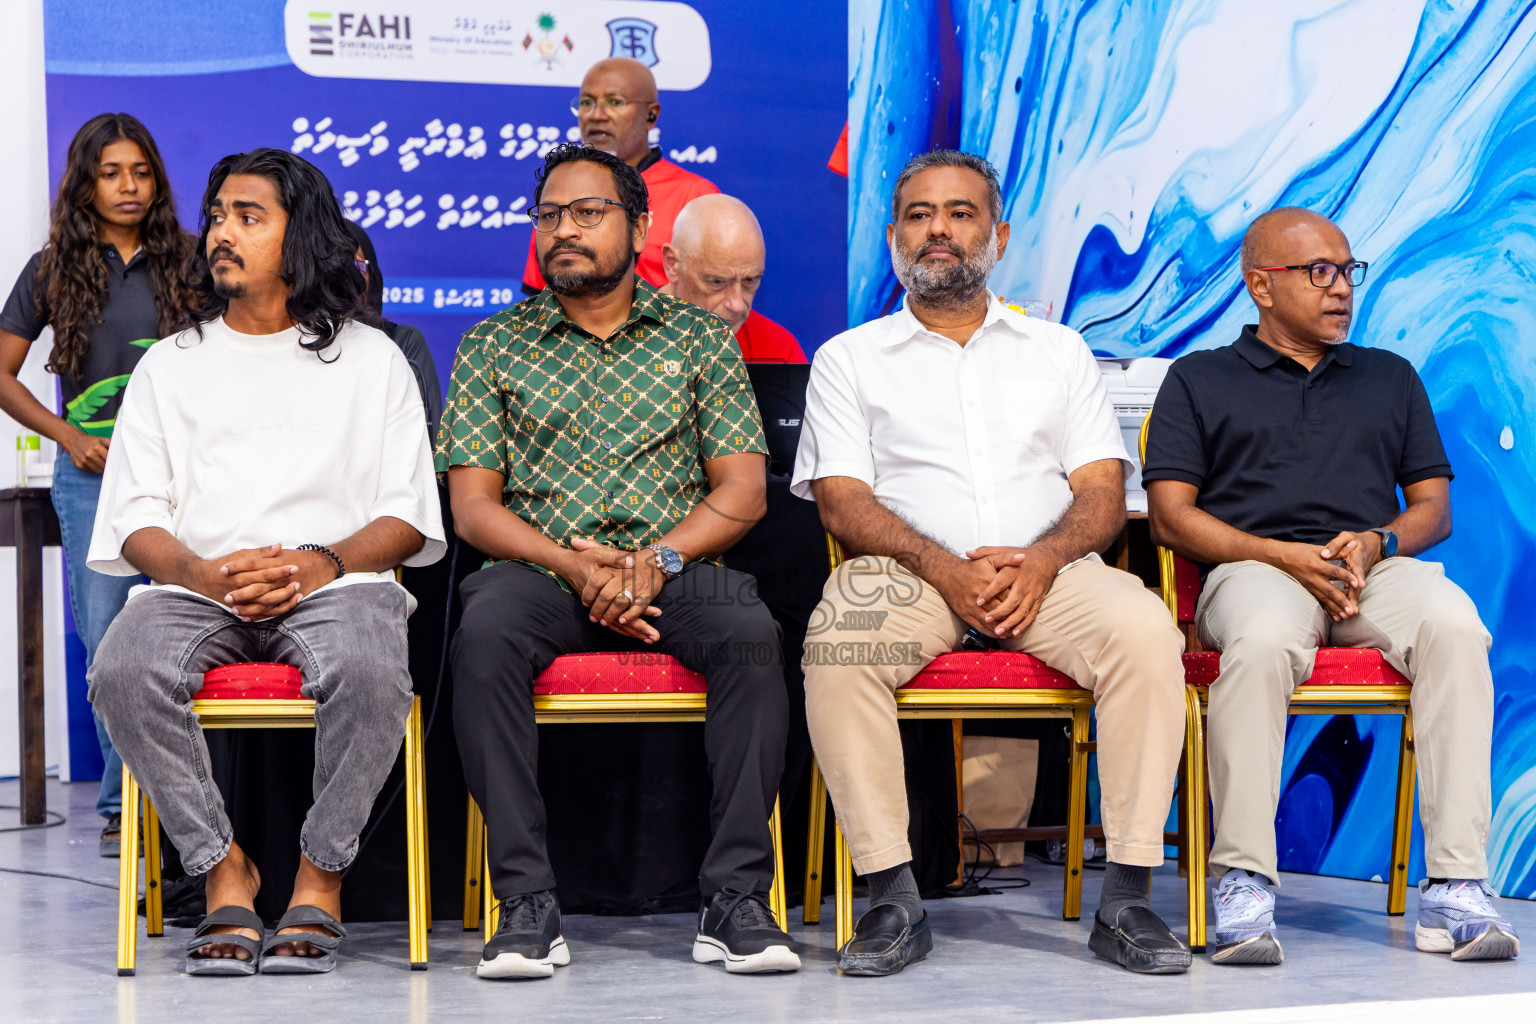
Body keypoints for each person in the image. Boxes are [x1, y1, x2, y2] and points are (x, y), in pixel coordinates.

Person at [793, 149, 1191, 977]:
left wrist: (1041, 561)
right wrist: (945, 571)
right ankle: (893, 898)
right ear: (893, 236)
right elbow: (842, 502)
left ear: (998, 235)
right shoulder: (849, 358)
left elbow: (1101, 494)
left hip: (1049, 573)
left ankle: (1127, 898)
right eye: (919, 215)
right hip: (909, 575)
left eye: (961, 213)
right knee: (838, 639)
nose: (939, 229)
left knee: (1147, 632)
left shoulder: (1058, 351)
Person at [438, 142, 797, 979]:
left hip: (674, 569)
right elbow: (474, 507)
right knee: (482, 638)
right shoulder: (493, 344)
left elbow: (742, 490)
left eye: (587, 213)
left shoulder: (703, 340)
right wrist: (575, 567)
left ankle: (735, 897)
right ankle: (526, 902)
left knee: (751, 635)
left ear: (639, 228)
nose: (563, 231)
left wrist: (654, 561)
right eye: (550, 216)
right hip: (539, 572)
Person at [85, 148, 445, 976]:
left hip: (336, 583)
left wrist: (320, 563)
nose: (221, 233)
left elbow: (406, 514)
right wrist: (205, 575)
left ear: (301, 236)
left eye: (248, 217)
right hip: (199, 587)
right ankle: (223, 870)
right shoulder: (171, 366)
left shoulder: (372, 359)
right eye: (217, 216)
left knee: (373, 665)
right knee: (123, 667)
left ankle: (320, 876)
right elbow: (136, 518)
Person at [1143, 207, 1518, 966]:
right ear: (1261, 286)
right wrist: (1281, 556)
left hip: (1368, 573)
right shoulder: (1199, 379)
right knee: (1261, 639)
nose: (1341, 289)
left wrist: (1378, 542)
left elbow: (1433, 510)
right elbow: (1170, 519)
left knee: (1455, 625)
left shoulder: (1390, 376)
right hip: (1253, 570)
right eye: (1320, 273)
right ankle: (1243, 881)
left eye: (1349, 271)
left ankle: (1455, 887)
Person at [0, 113, 194, 857]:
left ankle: (181, 802)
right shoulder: (52, 266)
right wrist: (69, 437)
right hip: (92, 481)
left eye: (140, 172)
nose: (128, 187)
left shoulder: (190, 259)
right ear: (85, 182)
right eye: (111, 173)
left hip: (182, 477)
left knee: (184, 629)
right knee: (111, 640)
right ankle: (122, 808)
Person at [520, 57, 718, 294]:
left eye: (615, 102)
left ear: (650, 115)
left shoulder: (696, 196)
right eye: (586, 102)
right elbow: (537, 301)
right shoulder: (560, 192)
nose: (596, 115)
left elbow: (714, 296)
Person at [660, 194, 806, 363]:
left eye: (750, 281)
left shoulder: (778, 352)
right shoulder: (626, 337)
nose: (737, 305)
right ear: (673, 264)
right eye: (717, 282)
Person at [345, 219, 443, 434]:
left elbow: (428, 440)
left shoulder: (403, 343)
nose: (346, 280)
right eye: (336, 266)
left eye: (356, 266)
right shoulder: (295, 346)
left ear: (374, 279)